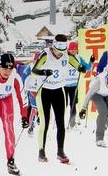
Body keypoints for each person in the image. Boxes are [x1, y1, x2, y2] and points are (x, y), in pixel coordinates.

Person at [30, 33, 82, 164]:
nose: (60, 54)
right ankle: (41, 151)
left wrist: (82, 68)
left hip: (59, 90)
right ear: (53, 47)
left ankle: (60, 151)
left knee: (60, 123)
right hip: (44, 91)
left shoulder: (66, 55)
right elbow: (33, 71)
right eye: (58, 51)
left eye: (62, 51)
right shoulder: (45, 54)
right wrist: (43, 72)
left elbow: (78, 65)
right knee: (45, 122)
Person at [79, 68, 108, 147]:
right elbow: (89, 94)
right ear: (107, 78)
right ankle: (99, 138)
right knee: (103, 112)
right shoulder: (99, 81)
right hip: (97, 94)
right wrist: (83, 109)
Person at [65, 40, 93, 128]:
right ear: (68, 50)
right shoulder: (64, 57)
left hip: (74, 85)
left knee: (73, 104)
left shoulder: (79, 58)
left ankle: (72, 123)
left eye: (75, 50)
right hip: (63, 85)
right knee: (63, 104)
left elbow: (87, 67)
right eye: (71, 50)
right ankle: (59, 122)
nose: (73, 52)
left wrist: (91, 61)